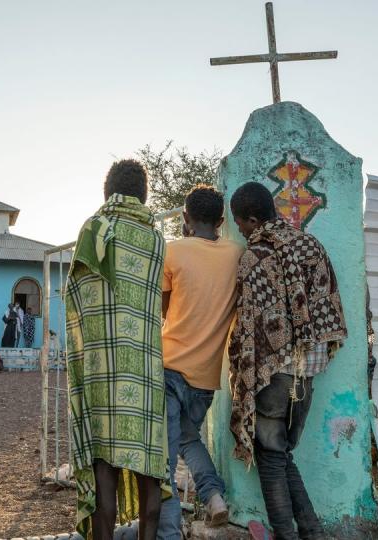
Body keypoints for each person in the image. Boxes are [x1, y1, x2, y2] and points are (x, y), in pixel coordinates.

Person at [227, 182, 347, 540]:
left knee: (271, 457)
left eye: (241, 225)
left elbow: (250, 327)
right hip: (307, 374)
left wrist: (244, 373)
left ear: (251, 219)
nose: (241, 232)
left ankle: (286, 533)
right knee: (281, 454)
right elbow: (329, 305)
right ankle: (312, 530)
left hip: (273, 376)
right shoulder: (311, 245)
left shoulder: (254, 258)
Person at [65, 159, 166, 539]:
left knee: (104, 472)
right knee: (150, 471)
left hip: (102, 370)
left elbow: (76, 296)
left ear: (107, 192)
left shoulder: (97, 230)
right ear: (143, 195)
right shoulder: (157, 240)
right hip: (145, 372)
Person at [157, 186, 243, 536]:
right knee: (189, 440)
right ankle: (214, 496)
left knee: (162, 462)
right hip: (206, 379)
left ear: (185, 219)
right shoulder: (238, 254)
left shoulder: (172, 251)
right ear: (222, 221)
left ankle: (169, 533)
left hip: (169, 368)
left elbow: (163, 311)